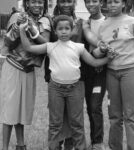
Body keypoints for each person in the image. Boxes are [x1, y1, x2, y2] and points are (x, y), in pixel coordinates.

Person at [19, 15, 116, 150]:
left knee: (77, 123)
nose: (63, 32)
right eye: (60, 29)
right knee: (55, 123)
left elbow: (94, 62)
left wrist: (108, 59)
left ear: (72, 30)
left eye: (67, 28)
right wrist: (22, 30)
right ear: (55, 31)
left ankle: (80, 147)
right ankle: (54, 147)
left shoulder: (79, 47)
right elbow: (28, 47)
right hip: (56, 89)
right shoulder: (50, 46)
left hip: (75, 88)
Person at [87, 0, 134, 149]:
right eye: (110, 2)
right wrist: (101, 49)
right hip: (111, 72)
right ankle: (115, 147)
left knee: (130, 114)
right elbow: (98, 52)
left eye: (116, 2)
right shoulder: (104, 25)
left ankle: (133, 147)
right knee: (115, 115)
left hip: (130, 71)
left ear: (123, 4)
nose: (112, 5)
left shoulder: (132, 22)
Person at [44, 0, 100, 149]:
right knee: (57, 116)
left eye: (69, 1)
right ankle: (57, 145)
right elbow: (43, 43)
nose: (66, 4)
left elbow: (90, 38)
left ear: (74, 3)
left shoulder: (81, 22)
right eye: (62, 1)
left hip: (77, 75)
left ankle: (70, 145)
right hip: (55, 74)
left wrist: (103, 46)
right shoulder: (49, 21)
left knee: (74, 116)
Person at [0, 0, 50, 150]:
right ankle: (4, 147)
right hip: (14, 66)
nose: (37, 5)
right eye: (33, 2)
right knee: (10, 111)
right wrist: (18, 26)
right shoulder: (17, 16)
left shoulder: (43, 21)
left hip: (29, 69)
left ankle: (21, 145)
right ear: (27, 4)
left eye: (40, 2)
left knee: (21, 110)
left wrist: (31, 28)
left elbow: (45, 45)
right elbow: (8, 42)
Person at [82, 0, 106, 150]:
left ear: (101, 3)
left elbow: (111, 46)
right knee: (90, 107)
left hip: (101, 71)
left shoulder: (108, 22)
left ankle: (98, 143)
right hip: (86, 70)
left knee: (95, 106)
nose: (91, 4)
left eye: (94, 1)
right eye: (87, 1)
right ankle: (91, 141)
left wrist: (99, 61)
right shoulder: (84, 23)